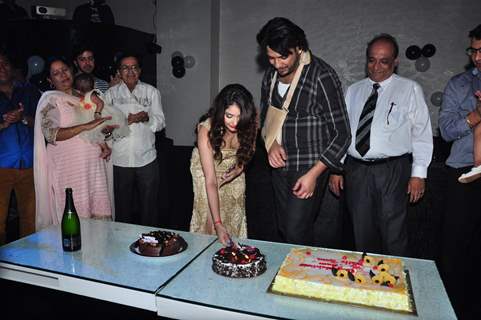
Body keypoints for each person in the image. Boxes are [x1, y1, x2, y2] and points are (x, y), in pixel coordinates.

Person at [329, 34, 433, 256]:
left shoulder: (409, 88)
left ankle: (394, 283)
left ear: (395, 62)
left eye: (384, 61)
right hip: (356, 169)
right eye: (371, 60)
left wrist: (419, 174)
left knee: (393, 232)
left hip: (392, 170)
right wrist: (336, 168)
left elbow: (421, 133)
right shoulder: (354, 90)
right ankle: (368, 284)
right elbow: (343, 133)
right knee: (361, 232)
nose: (376, 66)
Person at [256, 17, 351, 246]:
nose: (277, 64)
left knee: (296, 231)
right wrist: (271, 144)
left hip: (308, 166)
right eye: (271, 58)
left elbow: (343, 134)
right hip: (280, 166)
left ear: (299, 47)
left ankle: (301, 279)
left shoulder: (321, 76)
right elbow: (266, 119)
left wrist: (313, 175)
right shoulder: (270, 76)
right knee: (286, 230)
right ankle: (298, 275)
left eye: (283, 57)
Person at [34, 57, 113, 230]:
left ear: (71, 70)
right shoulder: (51, 100)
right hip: (69, 169)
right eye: (56, 73)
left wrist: (104, 142)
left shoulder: (86, 96)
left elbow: (96, 130)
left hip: (94, 166)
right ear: (50, 80)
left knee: (98, 219)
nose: (62, 75)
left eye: (64, 70)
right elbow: (50, 134)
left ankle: (97, 256)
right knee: (75, 214)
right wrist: (85, 126)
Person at [438, 24, 481, 318]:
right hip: (464, 175)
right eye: (473, 50)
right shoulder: (459, 84)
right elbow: (446, 130)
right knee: (455, 252)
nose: (477, 57)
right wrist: (475, 116)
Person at [189, 84, 257, 246]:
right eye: (229, 116)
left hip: (234, 167)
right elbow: (211, 180)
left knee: (234, 215)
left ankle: (232, 259)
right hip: (206, 170)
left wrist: (238, 169)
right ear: (221, 111)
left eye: (239, 117)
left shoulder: (249, 122)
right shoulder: (207, 129)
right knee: (211, 222)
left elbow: (249, 151)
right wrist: (218, 224)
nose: (235, 122)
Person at [104, 54, 165, 227]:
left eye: (134, 67)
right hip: (119, 159)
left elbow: (160, 122)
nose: (130, 71)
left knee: (149, 208)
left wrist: (145, 118)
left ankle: (149, 245)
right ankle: (122, 247)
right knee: (122, 209)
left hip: (146, 159)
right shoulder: (110, 95)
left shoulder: (151, 92)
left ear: (139, 70)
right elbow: (103, 125)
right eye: (125, 67)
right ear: (119, 72)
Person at [0, 52, 40, 244]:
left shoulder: (29, 91)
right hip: (2, 168)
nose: (2, 67)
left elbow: (45, 122)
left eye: (5, 63)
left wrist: (23, 118)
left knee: (30, 220)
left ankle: (29, 264)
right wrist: (3, 124)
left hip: (30, 166)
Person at [72, 72, 129, 144]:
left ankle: (110, 136)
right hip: (90, 116)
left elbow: (100, 103)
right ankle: (105, 146)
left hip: (99, 114)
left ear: (77, 90)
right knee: (96, 134)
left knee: (102, 128)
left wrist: (97, 113)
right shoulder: (83, 97)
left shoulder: (91, 95)